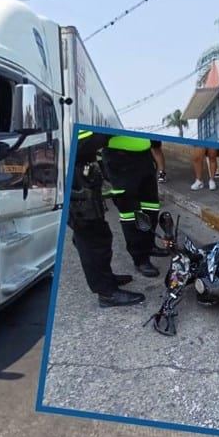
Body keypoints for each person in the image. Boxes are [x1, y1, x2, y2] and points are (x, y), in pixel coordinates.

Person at [68, 130, 145, 307]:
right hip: (76, 182)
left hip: (83, 177)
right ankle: (107, 293)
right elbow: (83, 141)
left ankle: (106, 278)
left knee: (98, 233)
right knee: (91, 237)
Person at [102, 135, 167, 278]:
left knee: (151, 207)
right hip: (119, 157)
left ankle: (149, 245)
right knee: (130, 213)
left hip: (144, 155)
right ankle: (141, 259)